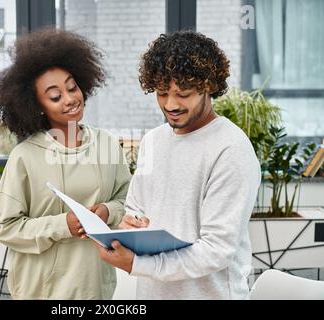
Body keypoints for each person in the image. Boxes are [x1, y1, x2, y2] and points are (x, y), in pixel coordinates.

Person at [95, 30, 261, 299]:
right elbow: (135, 207)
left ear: (208, 86)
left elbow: (216, 250)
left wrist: (139, 264)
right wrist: (131, 225)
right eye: (162, 93)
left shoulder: (231, 149)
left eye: (182, 93)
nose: (170, 104)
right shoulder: (153, 141)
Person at [0, 28, 131, 299]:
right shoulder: (25, 156)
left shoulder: (107, 144)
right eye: (55, 96)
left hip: (94, 289)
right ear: (37, 105)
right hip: (42, 291)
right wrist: (62, 225)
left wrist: (107, 211)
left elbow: (126, 200)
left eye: (72, 87)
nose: (70, 99)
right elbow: (3, 226)